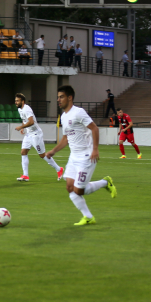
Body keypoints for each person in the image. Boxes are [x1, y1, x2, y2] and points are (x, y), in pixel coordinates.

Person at [45, 85, 117, 226]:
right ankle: (88, 217)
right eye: (58, 97)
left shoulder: (79, 112)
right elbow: (66, 138)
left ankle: (105, 182)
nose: (58, 100)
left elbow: (94, 128)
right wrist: (53, 151)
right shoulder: (64, 116)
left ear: (70, 97)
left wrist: (95, 149)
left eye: (61, 97)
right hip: (73, 156)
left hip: (86, 156)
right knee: (69, 188)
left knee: (78, 190)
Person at [14, 94, 63, 182]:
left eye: (17, 100)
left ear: (23, 101)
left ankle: (59, 169)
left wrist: (21, 127)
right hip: (29, 134)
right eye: (15, 100)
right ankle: (25, 175)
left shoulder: (27, 109)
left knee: (42, 155)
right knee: (23, 152)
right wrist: (24, 127)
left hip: (36, 134)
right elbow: (24, 119)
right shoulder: (19, 109)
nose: (15, 102)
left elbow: (31, 122)